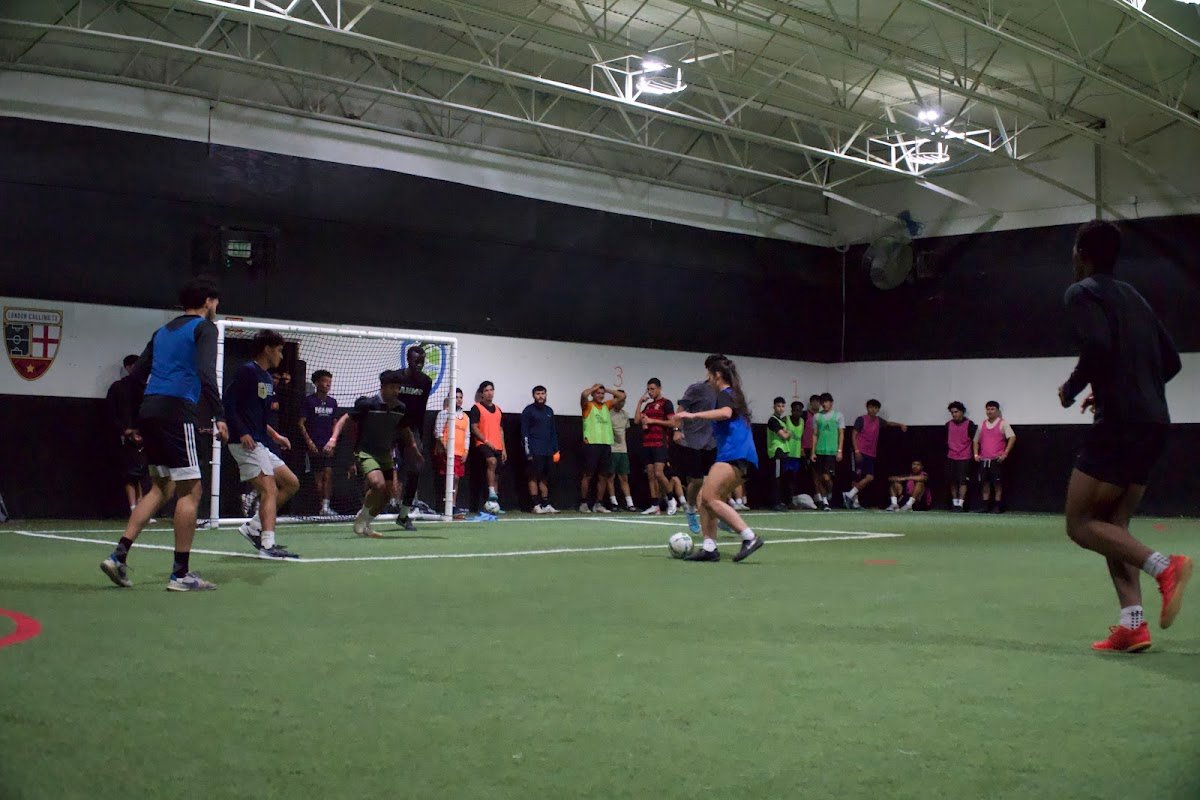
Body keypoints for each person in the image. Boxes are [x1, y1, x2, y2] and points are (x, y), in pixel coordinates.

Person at [1057, 220, 1190, 652]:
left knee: (1080, 524)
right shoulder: (1135, 297)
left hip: (1119, 425)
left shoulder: (1082, 292)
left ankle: (1165, 567)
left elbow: (1096, 345)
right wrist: (1119, 386)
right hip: (1154, 422)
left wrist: (1071, 389)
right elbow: (1171, 362)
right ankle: (1132, 623)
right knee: (1115, 525)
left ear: (1081, 253)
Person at [100, 277, 229, 591]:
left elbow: (135, 379)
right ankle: (180, 575)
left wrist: (135, 419)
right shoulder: (205, 328)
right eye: (216, 302)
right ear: (208, 301)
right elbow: (206, 372)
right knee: (191, 491)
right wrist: (219, 414)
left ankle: (118, 556)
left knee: (160, 488)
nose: (216, 307)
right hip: (177, 413)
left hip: (150, 411)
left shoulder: (162, 332)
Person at [672, 355, 763, 563]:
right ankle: (709, 547)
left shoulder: (725, 394)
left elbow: (725, 413)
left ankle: (749, 537)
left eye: (710, 375)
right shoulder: (733, 394)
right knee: (705, 498)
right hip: (738, 455)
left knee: (710, 498)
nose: (708, 379)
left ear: (718, 375)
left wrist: (693, 415)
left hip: (736, 454)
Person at [223, 329, 301, 560]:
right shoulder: (247, 371)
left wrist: (275, 436)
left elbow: (257, 415)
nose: (281, 355)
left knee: (291, 483)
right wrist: (242, 432)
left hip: (260, 442)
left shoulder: (267, 378)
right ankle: (267, 544)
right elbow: (229, 403)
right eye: (279, 350)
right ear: (267, 349)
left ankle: (254, 526)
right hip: (244, 443)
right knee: (269, 489)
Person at [324, 370, 408, 537]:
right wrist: (333, 439)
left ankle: (366, 522)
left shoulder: (401, 408)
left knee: (387, 494)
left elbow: (405, 430)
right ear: (383, 387)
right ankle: (362, 516)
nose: (396, 391)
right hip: (366, 452)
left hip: (386, 455)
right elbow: (344, 419)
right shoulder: (368, 404)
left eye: (398, 388)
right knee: (377, 484)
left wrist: (413, 447)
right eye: (392, 387)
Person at [392, 345, 433, 531]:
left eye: (422, 361)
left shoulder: (426, 381)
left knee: (416, 467)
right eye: (416, 361)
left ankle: (403, 514)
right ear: (408, 360)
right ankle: (368, 509)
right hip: (391, 425)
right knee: (380, 468)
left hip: (411, 428)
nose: (419, 364)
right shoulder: (397, 377)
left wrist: (418, 437)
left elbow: (421, 409)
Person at [672, 378, 717, 534]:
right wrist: (677, 430)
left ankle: (719, 514)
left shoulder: (724, 392)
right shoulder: (697, 389)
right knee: (697, 481)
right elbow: (680, 410)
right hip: (692, 440)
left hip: (712, 442)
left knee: (716, 481)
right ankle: (690, 510)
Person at [844, 399, 907, 510]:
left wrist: (900, 424)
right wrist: (856, 450)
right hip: (860, 451)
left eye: (875, 408)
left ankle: (849, 495)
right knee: (856, 477)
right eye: (871, 407)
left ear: (878, 410)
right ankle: (854, 502)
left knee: (869, 477)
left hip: (870, 454)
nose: (873, 410)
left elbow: (889, 423)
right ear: (867, 408)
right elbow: (854, 434)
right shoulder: (861, 419)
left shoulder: (878, 421)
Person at [106, 354, 149, 515]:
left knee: (143, 473)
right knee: (129, 474)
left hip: (143, 436)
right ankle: (133, 508)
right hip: (124, 437)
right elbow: (111, 412)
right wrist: (125, 431)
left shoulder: (145, 388)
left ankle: (141, 508)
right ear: (128, 367)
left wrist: (143, 432)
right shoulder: (117, 387)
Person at [579, 383, 625, 513]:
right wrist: (594, 388)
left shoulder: (606, 405)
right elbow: (584, 394)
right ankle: (583, 503)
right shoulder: (588, 405)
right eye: (598, 393)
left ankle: (598, 504)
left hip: (605, 444)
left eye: (602, 393)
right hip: (591, 444)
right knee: (588, 475)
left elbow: (622, 396)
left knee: (604, 475)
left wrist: (606, 389)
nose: (600, 395)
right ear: (593, 394)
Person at [299, 369, 338, 516]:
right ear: (316, 383)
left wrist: (333, 442)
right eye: (324, 381)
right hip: (314, 446)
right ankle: (320, 506)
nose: (327, 384)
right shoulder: (309, 401)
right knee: (318, 476)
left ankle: (326, 506)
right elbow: (301, 423)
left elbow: (335, 424)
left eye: (329, 381)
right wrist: (309, 442)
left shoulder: (332, 402)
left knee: (328, 474)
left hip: (328, 445)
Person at [634, 378, 675, 515]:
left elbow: (672, 423)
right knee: (651, 476)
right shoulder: (648, 406)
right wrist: (640, 403)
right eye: (648, 390)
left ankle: (671, 499)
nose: (650, 392)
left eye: (652, 389)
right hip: (647, 443)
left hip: (660, 443)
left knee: (659, 473)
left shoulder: (666, 403)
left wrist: (653, 421)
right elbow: (636, 420)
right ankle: (655, 505)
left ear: (659, 388)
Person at [521, 385, 560, 513]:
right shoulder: (528, 411)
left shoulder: (549, 411)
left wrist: (556, 450)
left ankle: (546, 504)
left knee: (544, 477)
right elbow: (524, 432)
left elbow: (553, 432)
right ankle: (535, 504)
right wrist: (528, 451)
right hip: (534, 449)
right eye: (538, 394)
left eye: (542, 393)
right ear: (534, 395)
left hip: (548, 450)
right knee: (533, 476)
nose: (540, 396)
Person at [469, 380, 506, 512]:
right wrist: (485, 441)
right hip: (483, 444)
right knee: (492, 461)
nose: (489, 393)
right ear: (482, 394)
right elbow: (474, 428)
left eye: (491, 390)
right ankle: (491, 492)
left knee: (497, 474)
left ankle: (494, 504)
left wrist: (504, 449)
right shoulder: (476, 408)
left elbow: (500, 430)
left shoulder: (498, 409)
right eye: (486, 390)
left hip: (498, 445)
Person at [973, 401, 1016, 513]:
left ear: (997, 411)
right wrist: (976, 454)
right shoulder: (982, 424)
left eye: (992, 409)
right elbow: (975, 440)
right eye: (988, 409)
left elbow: (1012, 437)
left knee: (997, 484)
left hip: (996, 460)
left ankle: (997, 507)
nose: (990, 411)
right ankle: (985, 507)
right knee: (985, 484)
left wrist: (1005, 453)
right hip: (984, 460)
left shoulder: (1003, 423)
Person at [433, 388, 469, 517]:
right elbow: (438, 432)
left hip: (459, 453)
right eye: (456, 397)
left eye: (460, 397)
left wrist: (466, 451)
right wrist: (445, 446)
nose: (458, 400)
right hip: (447, 452)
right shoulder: (444, 413)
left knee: (457, 479)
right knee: (450, 477)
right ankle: (445, 505)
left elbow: (467, 435)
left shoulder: (465, 417)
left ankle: (452, 505)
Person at [810, 392, 844, 511]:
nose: (824, 404)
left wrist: (839, 450)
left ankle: (829, 493)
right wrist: (813, 452)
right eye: (822, 402)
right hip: (820, 451)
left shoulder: (838, 416)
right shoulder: (816, 417)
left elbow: (841, 434)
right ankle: (825, 502)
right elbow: (815, 435)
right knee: (819, 478)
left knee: (827, 478)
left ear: (831, 402)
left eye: (826, 402)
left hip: (831, 452)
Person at [604, 399, 636, 512]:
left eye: (623, 401)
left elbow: (625, 431)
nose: (621, 403)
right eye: (619, 401)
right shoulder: (608, 413)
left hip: (623, 450)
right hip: (612, 449)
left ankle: (630, 504)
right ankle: (614, 503)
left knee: (624, 477)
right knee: (610, 477)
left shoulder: (625, 415)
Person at [945, 401, 977, 511]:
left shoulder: (969, 424)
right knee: (952, 481)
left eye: (956, 412)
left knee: (963, 481)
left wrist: (975, 454)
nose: (954, 414)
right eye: (952, 412)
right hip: (951, 456)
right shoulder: (948, 425)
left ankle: (960, 504)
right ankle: (954, 503)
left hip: (965, 457)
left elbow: (975, 440)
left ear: (962, 412)